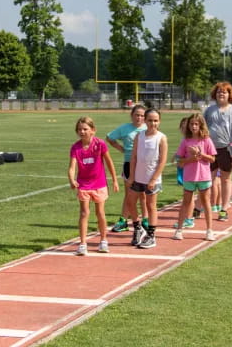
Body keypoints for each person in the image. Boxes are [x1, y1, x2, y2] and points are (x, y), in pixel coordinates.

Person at [68, 116, 119, 256]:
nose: (82, 132)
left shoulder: (100, 144)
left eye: (85, 129)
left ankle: (103, 240)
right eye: (79, 129)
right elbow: (72, 167)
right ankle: (83, 243)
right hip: (83, 185)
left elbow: (109, 162)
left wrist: (114, 180)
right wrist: (72, 179)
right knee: (84, 213)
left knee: (100, 212)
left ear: (93, 130)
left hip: (99, 184)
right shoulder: (75, 147)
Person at [126, 108, 168, 249]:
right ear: (145, 121)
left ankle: (151, 235)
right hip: (138, 177)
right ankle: (138, 228)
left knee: (151, 206)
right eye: (150, 120)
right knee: (130, 202)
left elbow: (162, 161)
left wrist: (153, 179)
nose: (153, 123)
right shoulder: (140, 136)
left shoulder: (161, 138)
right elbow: (134, 157)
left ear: (159, 121)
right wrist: (131, 176)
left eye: (155, 120)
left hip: (152, 179)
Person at [204, 81, 232, 222]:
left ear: (229, 95)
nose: (221, 94)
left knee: (226, 179)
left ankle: (224, 208)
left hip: (226, 149)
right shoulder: (209, 110)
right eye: (219, 91)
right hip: (209, 150)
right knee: (207, 179)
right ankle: (202, 205)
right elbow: (203, 129)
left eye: (225, 92)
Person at [173, 113, 216, 241]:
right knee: (186, 203)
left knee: (206, 203)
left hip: (204, 176)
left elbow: (213, 159)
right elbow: (180, 161)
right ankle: (179, 230)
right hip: (189, 177)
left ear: (201, 125)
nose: (194, 126)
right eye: (191, 124)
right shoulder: (185, 141)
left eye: (196, 124)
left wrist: (200, 154)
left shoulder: (206, 140)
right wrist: (191, 158)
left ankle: (209, 231)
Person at [106, 105, 148, 232]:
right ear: (132, 115)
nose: (139, 118)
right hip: (129, 163)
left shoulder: (148, 128)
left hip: (144, 164)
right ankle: (123, 220)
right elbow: (110, 138)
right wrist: (121, 149)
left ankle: (145, 219)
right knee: (129, 194)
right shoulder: (125, 128)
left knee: (143, 194)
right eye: (137, 115)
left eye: (142, 115)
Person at [172, 117, 196, 228]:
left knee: (189, 195)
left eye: (184, 127)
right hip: (183, 169)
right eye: (181, 127)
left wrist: (180, 162)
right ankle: (188, 217)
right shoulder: (185, 140)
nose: (183, 129)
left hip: (188, 170)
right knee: (187, 194)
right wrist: (175, 156)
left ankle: (189, 218)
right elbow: (180, 152)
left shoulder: (190, 140)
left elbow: (189, 155)